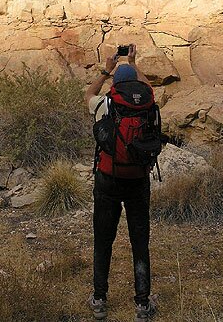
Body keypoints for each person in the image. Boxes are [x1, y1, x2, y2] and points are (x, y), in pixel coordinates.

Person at [86, 44, 157, 322]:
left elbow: (88, 94)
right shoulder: (149, 102)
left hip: (108, 180)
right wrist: (134, 62)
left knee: (103, 241)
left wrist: (106, 70)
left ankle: (100, 301)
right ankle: (142, 305)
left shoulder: (106, 103)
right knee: (140, 242)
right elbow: (148, 86)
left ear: (116, 84)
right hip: (138, 182)